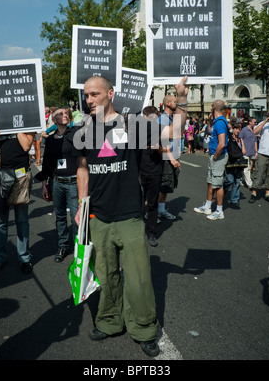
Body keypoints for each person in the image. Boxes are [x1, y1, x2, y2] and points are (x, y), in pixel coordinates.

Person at [73, 75, 189, 358]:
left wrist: (182, 99)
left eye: (95, 94)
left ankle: (144, 328)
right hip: (98, 218)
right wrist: (81, 204)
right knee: (106, 275)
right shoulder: (83, 129)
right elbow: (83, 168)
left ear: (110, 93)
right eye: (86, 95)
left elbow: (174, 132)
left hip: (129, 217)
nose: (89, 100)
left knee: (138, 279)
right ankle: (110, 321)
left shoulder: (132, 125)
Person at [0, 130, 35, 274]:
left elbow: (26, 146)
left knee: (22, 220)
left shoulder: (27, 125)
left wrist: (15, 127)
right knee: (0, 220)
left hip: (21, 175)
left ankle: (24, 258)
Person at [36, 107, 79, 262]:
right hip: (56, 183)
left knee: (76, 219)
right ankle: (62, 246)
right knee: (60, 216)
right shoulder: (51, 140)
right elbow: (47, 163)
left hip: (74, 182)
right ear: (54, 120)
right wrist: (44, 185)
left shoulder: (75, 134)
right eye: (60, 114)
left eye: (66, 113)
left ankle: (79, 250)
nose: (65, 115)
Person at [194, 100, 229, 220]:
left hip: (218, 156)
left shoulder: (220, 123)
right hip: (214, 155)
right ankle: (207, 206)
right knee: (210, 182)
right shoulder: (216, 122)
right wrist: (209, 120)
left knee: (218, 184)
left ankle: (219, 211)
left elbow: (222, 143)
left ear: (213, 108)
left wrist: (215, 157)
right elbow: (209, 131)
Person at [139, 106, 163, 247]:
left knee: (153, 203)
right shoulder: (136, 131)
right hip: (139, 170)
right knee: (138, 202)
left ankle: (151, 233)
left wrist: (158, 147)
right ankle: (137, 230)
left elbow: (165, 151)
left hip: (155, 170)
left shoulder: (160, 130)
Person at [157, 93, 182, 220]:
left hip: (171, 157)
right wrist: (172, 159)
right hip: (166, 158)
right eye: (174, 101)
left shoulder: (170, 119)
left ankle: (160, 210)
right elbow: (163, 141)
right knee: (163, 186)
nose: (176, 103)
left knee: (167, 186)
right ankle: (152, 212)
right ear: (168, 104)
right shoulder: (163, 119)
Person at [249, 109, 269, 204]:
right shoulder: (265, 124)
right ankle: (254, 194)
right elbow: (254, 132)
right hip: (263, 153)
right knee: (259, 173)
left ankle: (267, 194)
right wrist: (265, 121)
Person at [223, 123, 246, 209]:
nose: (237, 130)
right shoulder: (229, 137)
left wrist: (241, 144)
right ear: (233, 129)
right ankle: (221, 192)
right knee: (229, 180)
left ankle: (234, 200)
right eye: (236, 128)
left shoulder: (240, 139)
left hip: (239, 163)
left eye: (239, 129)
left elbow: (244, 152)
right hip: (230, 162)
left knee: (237, 181)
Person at [239, 117, 258, 189]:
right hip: (246, 152)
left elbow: (255, 141)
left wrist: (256, 151)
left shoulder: (254, 131)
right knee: (246, 168)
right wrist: (243, 148)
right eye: (255, 122)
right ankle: (250, 183)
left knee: (249, 168)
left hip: (252, 152)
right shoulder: (244, 130)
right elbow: (240, 139)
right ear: (250, 122)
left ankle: (241, 178)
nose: (256, 123)